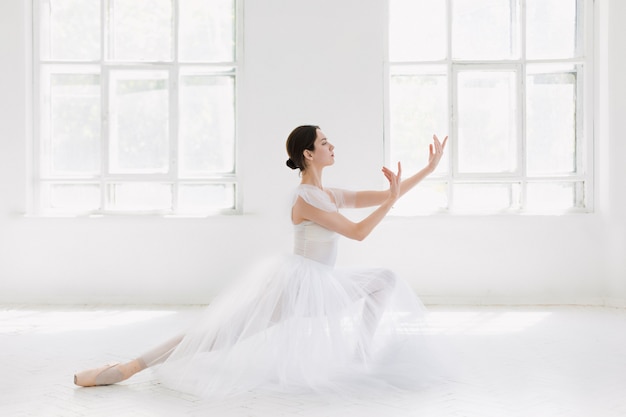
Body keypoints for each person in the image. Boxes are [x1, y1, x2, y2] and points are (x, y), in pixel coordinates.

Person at [74, 125, 448, 398]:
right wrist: (389, 201)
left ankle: (361, 354)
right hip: (295, 289)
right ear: (308, 153)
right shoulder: (306, 199)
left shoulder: (329, 193)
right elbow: (358, 233)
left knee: (385, 278)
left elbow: (386, 194)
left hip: (319, 285)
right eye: (323, 142)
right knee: (215, 334)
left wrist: (427, 172)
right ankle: (126, 368)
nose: (332, 145)